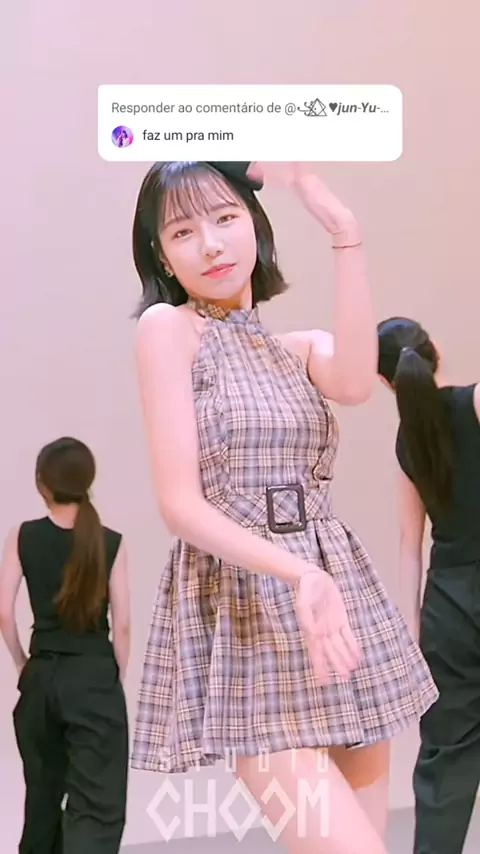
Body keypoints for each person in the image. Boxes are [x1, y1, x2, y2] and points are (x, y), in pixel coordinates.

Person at [129, 160, 438, 854]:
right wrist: (299, 574)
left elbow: (356, 382)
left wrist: (344, 231)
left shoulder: (295, 349)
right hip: (252, 609)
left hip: (337, 608)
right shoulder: (167, 329)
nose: (210, 243)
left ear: (255, 227)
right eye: (183, 231)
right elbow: (179, 506)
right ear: (162, 255)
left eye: (225, 218)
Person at [377, 316, 480, 854]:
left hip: (447, 607)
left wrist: (412, 634)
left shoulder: (407, 442)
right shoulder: (473, 403)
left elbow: (409, 545)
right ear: (434, 349)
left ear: (384, 382)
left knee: (446, 762)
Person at [0, 437, 130, 854]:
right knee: (96, 805)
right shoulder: (111, 542)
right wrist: (112, 677)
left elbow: (3, 613)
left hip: (41, 676)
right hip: (93, 677)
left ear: (42, 483)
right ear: (88, 480)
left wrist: (23, 663)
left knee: (41, 800)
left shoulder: (21, 535)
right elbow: (123, 626)